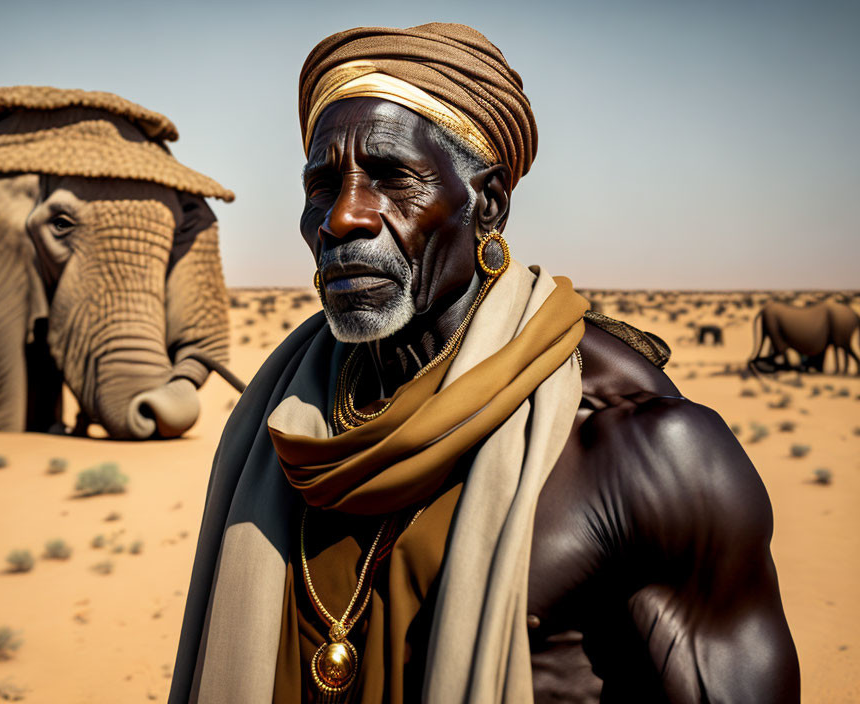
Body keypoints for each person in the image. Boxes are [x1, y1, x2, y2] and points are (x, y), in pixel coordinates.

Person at [169, 23, 799, 704]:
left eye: (390, 177)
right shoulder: (280, 431)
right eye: (323, 184)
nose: (342, 216)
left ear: (489, 203)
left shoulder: (646, 453)